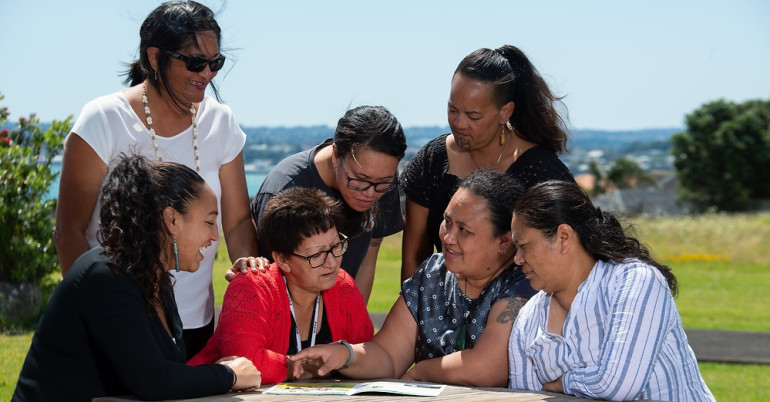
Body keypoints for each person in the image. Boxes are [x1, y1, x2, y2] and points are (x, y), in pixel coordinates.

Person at [53, 1, 258, 358]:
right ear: (153, 56)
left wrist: (249, 274)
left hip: (196, 323)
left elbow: (238, 219)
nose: (207, 73)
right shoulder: (103, 119)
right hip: (119, 319)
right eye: (195, 62)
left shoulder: (221, 121)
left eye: (216, 62)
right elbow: (69, 230)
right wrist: (97, 311)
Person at [13, 155, 260, 401]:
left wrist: (221, 370)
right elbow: (154, 381)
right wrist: (229, 375)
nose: (215, 236)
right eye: (209, 222)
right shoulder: (107, 276)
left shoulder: (155, 279)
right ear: (171, 219)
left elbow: (164, 374)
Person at [290, 171, 535, 387]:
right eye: (447, 222)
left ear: (504, 241)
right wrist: (345, 355)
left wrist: (420, 372)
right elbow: (387, 356)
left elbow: (486, 368)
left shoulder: (522, 282)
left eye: (464, 230)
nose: (448, 238)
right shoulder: (432, 273)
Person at [507, 180, 715, 401]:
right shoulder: (527, 320)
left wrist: (563, 383)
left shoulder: (635, 281)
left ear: (564, 237)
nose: (517, 259)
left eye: (523, 246)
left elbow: (618, 386)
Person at [400, 45, 575, 281]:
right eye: (452, 110)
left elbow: (566, 259)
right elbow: (413, 259)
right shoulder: (433, 159)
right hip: (442, 307)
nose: (459, 123)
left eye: (473, 116)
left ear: (505, 112)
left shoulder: (540, 171)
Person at [189, 187, 373, 384]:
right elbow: (244, 364)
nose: (332, 262)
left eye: (336, 246)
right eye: (316, 255)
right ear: (282, 259)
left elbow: (369, 353)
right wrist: (302, 368)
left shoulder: (342, 285)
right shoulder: (250, 285)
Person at [248, 105, 406, 302]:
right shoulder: (284, 188)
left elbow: (368, 259)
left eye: (383, 182)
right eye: (360, 179)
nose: (370, 193)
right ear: (336, 155)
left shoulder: (382, 181)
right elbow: (270, 279)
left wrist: (353, 323)